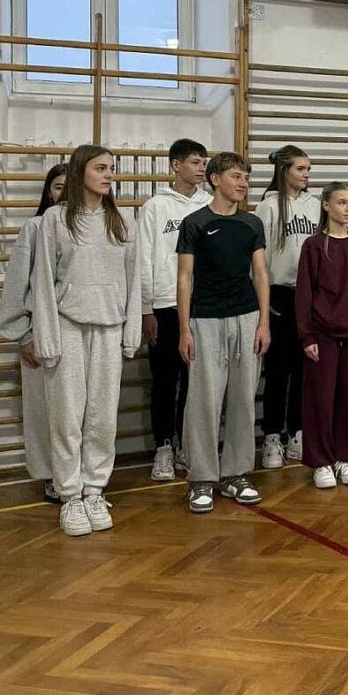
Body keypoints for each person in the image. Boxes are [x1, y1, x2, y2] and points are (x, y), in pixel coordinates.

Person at [31, 145, 141, 536]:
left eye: (112, 168)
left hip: (110, 327)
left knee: (102, 417)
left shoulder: (123, 221)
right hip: (67, 327)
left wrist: (131, 333)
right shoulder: (55, 220)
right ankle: (70, 496)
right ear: (81, 173)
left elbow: (134, 282)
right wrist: (46, 338)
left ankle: (94, 490)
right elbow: (43, 283)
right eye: (101, 168)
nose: (109, 174)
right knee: (67, 416)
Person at [177, 152, 271, 514]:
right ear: (215, 179)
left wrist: (263, 322)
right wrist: (184, 329)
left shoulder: (252, 223)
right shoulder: (195, 223)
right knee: (204, 400)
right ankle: (201, 477)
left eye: (246, 177)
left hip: (246, 317)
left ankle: (236, 473)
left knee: (243, 398)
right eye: (236, 176)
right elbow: (184, 278)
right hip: (205, 320)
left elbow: (260, 274)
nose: (243, 183)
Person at [296, 183, 348, 488]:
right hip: (323, 333)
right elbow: (305, 293)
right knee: (320, 399)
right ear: (326, 206)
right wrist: (307, 336)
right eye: (342, 202)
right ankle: (321, 461)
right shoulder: (314, 246)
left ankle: (346, 457)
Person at [138, 138, 211, 481]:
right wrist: (146, 309)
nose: (201, 168)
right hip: (166, 304)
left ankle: (187, 445)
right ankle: (164, 446)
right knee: (165, 381)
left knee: (195, 382)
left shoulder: (210, 204)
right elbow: (144, 258)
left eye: (204, 163)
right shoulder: (156, 207)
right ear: (176, 165)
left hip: (202, 305)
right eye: (195, 162)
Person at [0, 163, 66, 505]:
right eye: (58, 187)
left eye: (71, 186)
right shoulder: (35, 228)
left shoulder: (95, 229)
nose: (65, 193)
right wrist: (24, 335)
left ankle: (79, 474)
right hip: (41, 333)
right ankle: (50, 475)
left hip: (79, 333)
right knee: (44, 409)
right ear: (48, 193)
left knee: (78, 412)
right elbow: (16, 285)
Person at [255, 145, 320, 469]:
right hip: (279, 294)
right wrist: (264, 301)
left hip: (309, 295)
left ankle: (297, 431)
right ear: (284, 170)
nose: (306, 175)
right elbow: (259, 260)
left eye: (308, 169)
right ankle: (271, 436)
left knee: (305, 369)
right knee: (278, 371)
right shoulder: (267, 207)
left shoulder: (315, 205)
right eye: (300, 169)